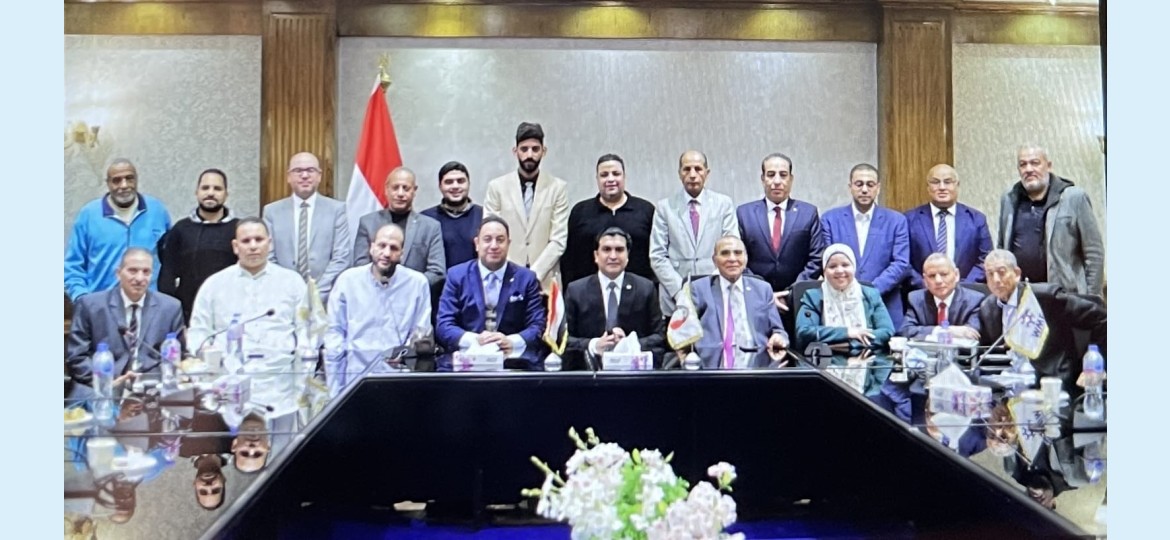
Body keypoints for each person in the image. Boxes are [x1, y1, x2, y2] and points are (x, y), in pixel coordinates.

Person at [976, 249, 1107, 394]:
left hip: (1051, 382)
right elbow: (988, 353)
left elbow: (1101, 318)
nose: (996, 280)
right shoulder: (988, 308)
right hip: (1009, 384)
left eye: (1001, 272)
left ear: (1017, 274)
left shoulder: (1046, 297)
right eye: (990, 274)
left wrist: (1093, 367)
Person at [325, 223, 432, 393]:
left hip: (399, 381)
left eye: (394, 248)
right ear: (372, 247)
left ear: (402, 253)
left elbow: (420, 332)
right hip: (354, 380)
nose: (387, 253)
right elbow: (334, 334)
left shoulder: (417, 283)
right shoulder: (347, 281)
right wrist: (334, 391)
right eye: (382, 246)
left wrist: (404, 355)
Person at [66, 248, 185, 399]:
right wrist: (107, 381)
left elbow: (179, 357)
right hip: (104, 388)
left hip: (153, 390)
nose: (140, 278)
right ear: (118, 273)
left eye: (146, 272)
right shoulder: (90, 306)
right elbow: (77, 357)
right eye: (133, 271)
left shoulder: (170, 307)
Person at [436, 216, 546, 370]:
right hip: (466, 363)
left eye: (500, 240)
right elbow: (444, 325)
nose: (494, 246)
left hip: (514, 364)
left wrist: (511, 341)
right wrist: (475, 340)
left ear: (508, 244)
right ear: (477, 244)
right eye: (487, 239)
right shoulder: (457, 276)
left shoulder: (526, 278)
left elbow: (538, 325)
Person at [188, 218, 309, 358]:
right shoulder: (214, 285)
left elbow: (306, 328)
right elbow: (199, 330)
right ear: (235, 246)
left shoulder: (292, 281)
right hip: (226, 367)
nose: (253, 246)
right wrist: (206, 354)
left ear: (269, 243)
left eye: (259, 240)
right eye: (246, 241)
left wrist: (304, 362)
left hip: (281, 367)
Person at [997, 145, 1105, 297]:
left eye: (1035, 163)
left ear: (1048, 166)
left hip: (1066, 298)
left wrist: (1092, 300)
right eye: (1023, 164)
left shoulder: (1074, 198)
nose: (1029, 169)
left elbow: (1094, 253)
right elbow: (1002, 248)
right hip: (1021, 298)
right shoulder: (1009, 199)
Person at [65, 158, 172, 302]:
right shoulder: (88, 215)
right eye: (116, 180)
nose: (124, 185)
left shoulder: (157, 211)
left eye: (129, 178)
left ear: (136, 180)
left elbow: (171, 260)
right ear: (108, 183)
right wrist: (82, 298)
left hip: (149, 306)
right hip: (101, 306)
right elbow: (72, 266)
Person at [483, 122, 569, 294]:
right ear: (515, 151)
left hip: (544, 282)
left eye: (535, 149)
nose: (530, 155)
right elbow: (492, 235)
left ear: (544, 151)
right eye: (524, 149)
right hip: (505, 279)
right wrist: (514, 275)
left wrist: (532, 276)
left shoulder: (558, 188)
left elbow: (558, 240)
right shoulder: (497, 187)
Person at [650, 150, 740, 314]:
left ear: (707, 173)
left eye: (698, 169)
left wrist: (712, 286)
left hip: (715, 292)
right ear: (679, 173)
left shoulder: (723, 204)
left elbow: (731, 249)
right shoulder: (665, 207)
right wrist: (679, 291)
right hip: (675, 296)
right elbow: (657, 256)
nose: (692, 175)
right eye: (687, 169)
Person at [820, 163, 910, 327]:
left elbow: (901, 263)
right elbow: (827, 262)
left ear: (878, 188)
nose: (864, 190)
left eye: (870, 184)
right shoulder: (830, 220)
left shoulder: (896, 221)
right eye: (859, 184)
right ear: (850, 187)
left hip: (885, 304)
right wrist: (851, 291)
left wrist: (870, 291)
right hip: (841, 306)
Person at [564, 227, 665, 370]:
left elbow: (660, 336)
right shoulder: (576, 290)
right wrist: (594, 345)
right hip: (589, 373)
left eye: (619, 250)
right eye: (606, 249)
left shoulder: (645, 288)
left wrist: (630, 344)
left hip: (633, 374)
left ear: (627, 255)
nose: (613, 256)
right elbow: (563, 340)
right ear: (596, 255)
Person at [735, 152, 825, 306]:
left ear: (791, 179)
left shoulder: (808, 213)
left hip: (798, 300)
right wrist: (764, 292)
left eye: (783, 175)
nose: (777, 181)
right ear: (763, 179)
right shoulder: (744, 213)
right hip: (755, 299)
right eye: (771, 175)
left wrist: (792, 292)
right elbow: (738, 259)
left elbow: (816, 258)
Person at [262, 151, 351, 302]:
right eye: (298, 170)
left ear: (319, 176)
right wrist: (289, 292)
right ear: (288, 177)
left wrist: (315, 295)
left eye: (310, 170)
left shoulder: (337, 210)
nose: (304, 175)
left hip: (324, 299)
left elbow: (341, 258)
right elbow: (268, 256)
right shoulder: (271, 212)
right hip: (283, 298)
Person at [687, 236, 788, 369]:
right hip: (711, 366)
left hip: (757, 363)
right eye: (725, 253)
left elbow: (779, 330)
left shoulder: (763, 289)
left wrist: (778, 337)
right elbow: (683, 333)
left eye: (738, 253)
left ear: (745, 259)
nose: (732, 259)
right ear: (715, 260)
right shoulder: (698, 289)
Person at [157, 168, 238, 323]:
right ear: (197, 192)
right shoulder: (181, 229)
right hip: (188, 314)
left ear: (226, 194)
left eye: (217, 188)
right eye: (205, 188)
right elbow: (167, 275)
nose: (210, 193)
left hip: (230, 313)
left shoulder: (238, 229)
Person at [563, 154, 657, 285]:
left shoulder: (645, 210)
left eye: (616, 174)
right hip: (589, 293)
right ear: (597, 179)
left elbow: (656, 255)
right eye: (604, 175)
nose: (610, 179)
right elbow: (569, 260)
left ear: (624, 177)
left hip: (638, 293)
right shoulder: (580, 212)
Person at [351, 166, 445, 286]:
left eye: (406, 188)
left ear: (414, 191)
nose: (400, 193)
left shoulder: (431, 227)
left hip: (414, 294)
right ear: (386, 189)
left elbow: (437, 272)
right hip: (375, 293)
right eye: (395, 188)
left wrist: (406, 288)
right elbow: (360, 266)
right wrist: (383, 286)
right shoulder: (368, 223)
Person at [903, 164, 993, 289]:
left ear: (957, 185)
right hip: (922, 293)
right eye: (935, 182)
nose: (942, 187)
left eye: (948, 182)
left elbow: (985, 258)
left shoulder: (976, 219)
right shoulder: (909, 219)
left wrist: (962, 287)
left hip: (966, 293)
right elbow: (903, 260)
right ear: (928, 187)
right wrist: (928, 284)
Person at [795, 243, 895, 354]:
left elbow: (887, 332)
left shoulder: (871, 294)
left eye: (845, 265)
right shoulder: (813, 297)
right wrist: (847, 333)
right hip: (825, 359)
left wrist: (849, 344)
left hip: (867, 357)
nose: (839, 270)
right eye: (832, 266)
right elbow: (804, 332)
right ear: (824, 271)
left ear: (854, 268)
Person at [899, 253, 984, 340]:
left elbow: (972, 333)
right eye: (932, 276)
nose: (938, 281)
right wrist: (944, 331)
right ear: (925, 280)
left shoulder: (974, 300)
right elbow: (905, 331)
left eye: (944, 274)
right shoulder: (915, 299)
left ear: (956, 275)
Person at [421, 161, 484, 269]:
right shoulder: (426, 219)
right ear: (440, 186)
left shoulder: (484, 216)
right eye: (449, 182)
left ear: (469, 184)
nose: (455, 186)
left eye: (460, 181)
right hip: (438, 279)